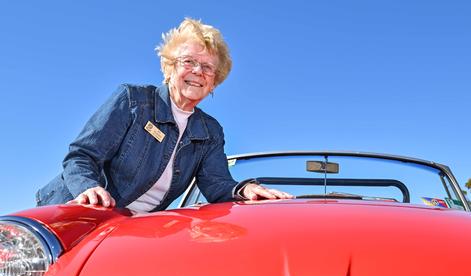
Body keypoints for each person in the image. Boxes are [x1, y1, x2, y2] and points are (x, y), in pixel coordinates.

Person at [36, 18, 292, 212]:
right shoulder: (133, 100)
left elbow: (216, 183)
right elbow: (81, 156)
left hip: (136, 228)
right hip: (75, 210)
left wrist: (244, 189)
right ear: (169, 68)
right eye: (188, 61)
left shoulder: (210, 131)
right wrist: (89, 188)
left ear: (214, 83)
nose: (197, 71)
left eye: (207, 67)